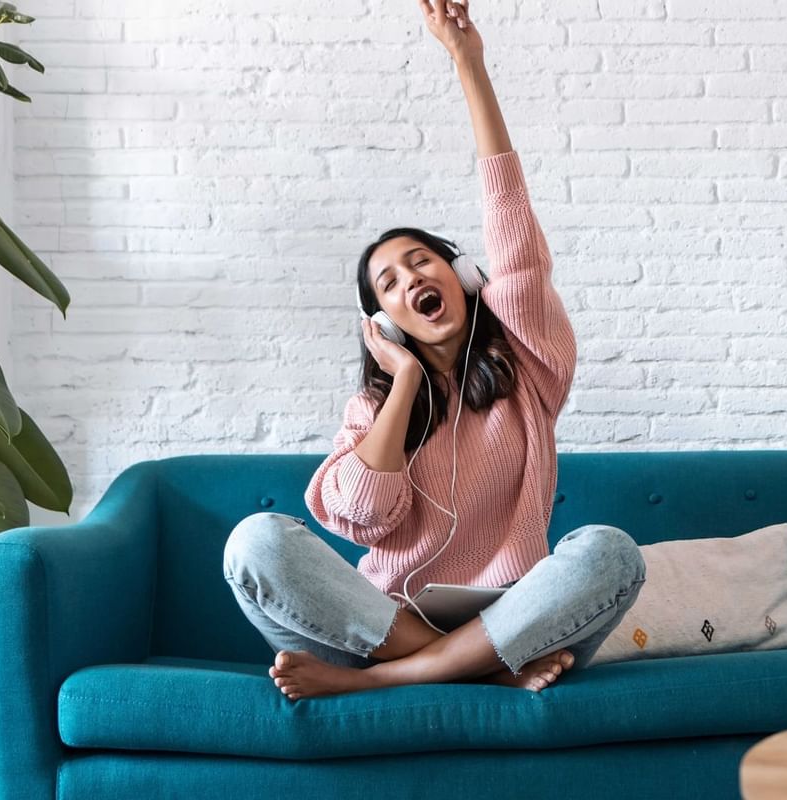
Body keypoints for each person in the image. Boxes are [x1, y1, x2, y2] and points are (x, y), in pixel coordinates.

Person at [223, 0, 646, 701]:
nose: (412, 279)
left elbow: (514, 232)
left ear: (466, 278)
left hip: (513, 622)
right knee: (255, 542)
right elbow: (364, 517)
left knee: (610, 553)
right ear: (385, 323)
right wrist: (406, 385)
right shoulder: (374, 405)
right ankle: (466, 670)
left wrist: (468, 64)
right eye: (389, 282)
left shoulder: (529, 376)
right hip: (376, 627)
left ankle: (399, 681)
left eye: (422, 261)